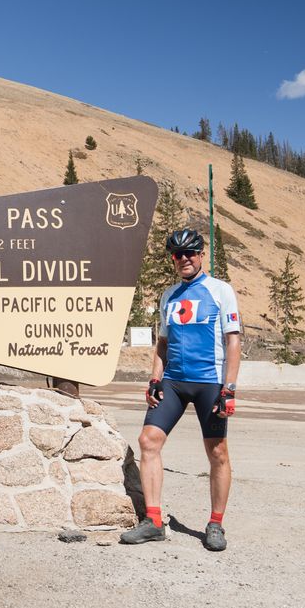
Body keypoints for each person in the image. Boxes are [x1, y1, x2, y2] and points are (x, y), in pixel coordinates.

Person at [120, 228, 241, 551]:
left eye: (190, 252)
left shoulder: (220, 291)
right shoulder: (169, 296)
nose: (184, 258)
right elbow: (162, 342)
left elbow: (233, 340)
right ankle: (154, 521)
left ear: (201, 254)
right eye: (177, 254)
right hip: (173, 380)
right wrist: (155, 379)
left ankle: (216, 523)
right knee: (148, 441)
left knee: (217, 452)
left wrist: (229, 388)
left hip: (209, 381)